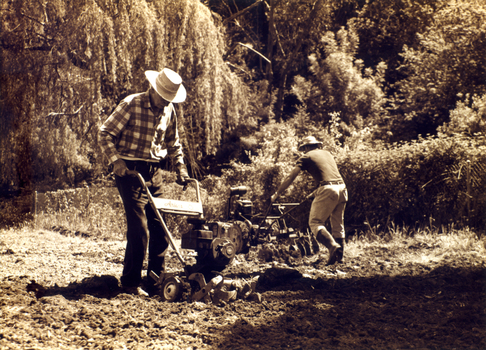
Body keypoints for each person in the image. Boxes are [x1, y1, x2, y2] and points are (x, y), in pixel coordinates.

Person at [99, 68, 190, 294]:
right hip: (129, 171)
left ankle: (155, 280)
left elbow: (173, 142)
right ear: (153, 89)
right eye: (163, 97)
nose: (165, 103)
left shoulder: (169, 110)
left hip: (153, 172)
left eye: (170, 99)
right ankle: (130, 283)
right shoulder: (131, 104)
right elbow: (105, 133)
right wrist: (116, 161)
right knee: (140, 230)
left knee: (160, 228)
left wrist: (180, 166)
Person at [271, 136, 347, 265]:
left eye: (304, 149)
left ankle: (333, 246)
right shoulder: (327, 153)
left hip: (328, 189)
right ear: (317, 145)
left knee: (315, 222)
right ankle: (340, 258)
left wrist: (277, 193)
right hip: (342, 188)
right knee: (338, 224)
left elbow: (291, 176)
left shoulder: (306, 157)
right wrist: (316, 192)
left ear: (306, 147)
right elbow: (328, 175)